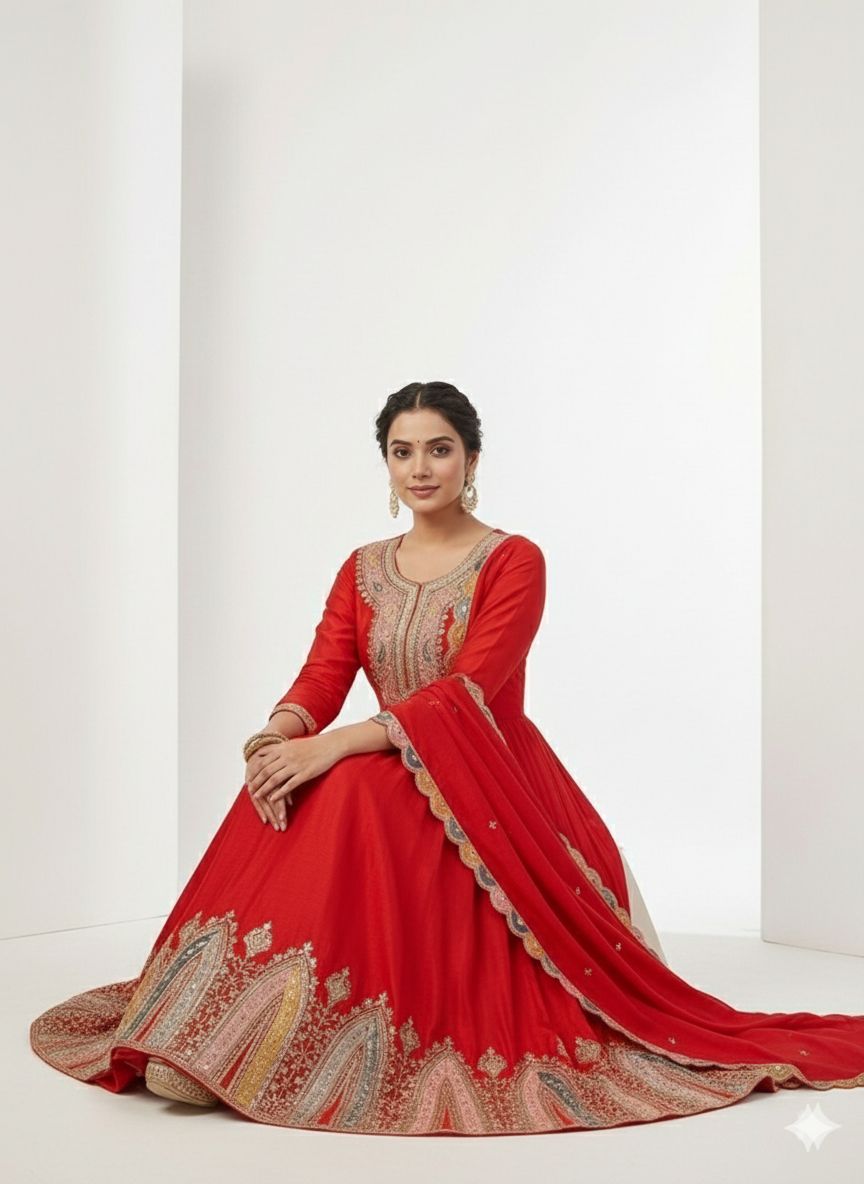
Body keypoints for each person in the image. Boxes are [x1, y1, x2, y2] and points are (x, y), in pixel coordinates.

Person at [30, 382, 864, 1135]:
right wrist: (274, 742)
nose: (420, 468)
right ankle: (218, 1031)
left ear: (471, 459)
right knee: (300, 784)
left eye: (439, 449)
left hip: (487, 774)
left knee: (347, 787)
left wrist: (334, 745)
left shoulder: (512, 559)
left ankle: (278, 1046)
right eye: (403, 452)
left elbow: (469, 690)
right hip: (378, 762)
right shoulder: (363, 568)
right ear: (386, 465)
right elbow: (323, 673)